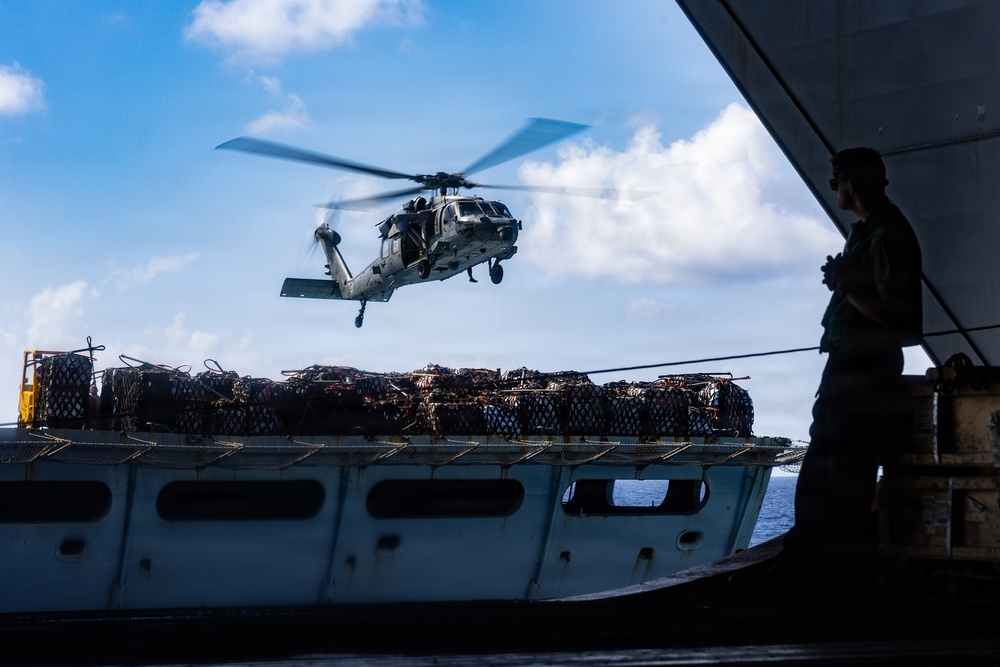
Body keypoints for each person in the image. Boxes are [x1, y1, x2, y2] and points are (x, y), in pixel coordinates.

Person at [783, 147, 923, 574]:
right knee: (830, 458)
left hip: (864, 367)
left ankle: (831, 563)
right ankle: (814, 554)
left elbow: (890, 314)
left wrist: (844, 284)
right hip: (851, 364)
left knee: (844, 463)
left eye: (835, 181)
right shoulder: (866, 231)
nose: (835, 189)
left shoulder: (885, 235)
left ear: (850, 184)